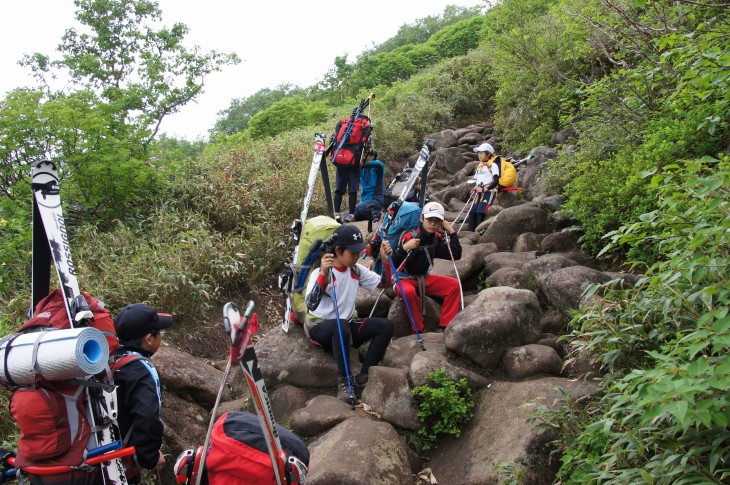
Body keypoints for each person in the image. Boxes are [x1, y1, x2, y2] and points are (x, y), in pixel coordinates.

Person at [304, 225, 394, 404]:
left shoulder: (355, 270)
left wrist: (385, 261)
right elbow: (311, 304)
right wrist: (323, 274)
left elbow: (384, 284)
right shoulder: (320, 273)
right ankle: (345, 383)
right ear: (338, 250)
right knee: (341, 325)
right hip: (321, 327)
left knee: (386, 326)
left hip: (345, 325)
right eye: (353, 253)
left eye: (358, 252)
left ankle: (363, 376)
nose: (357, 256)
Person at [113, 303, 172, 484]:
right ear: (148, 339)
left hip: (90, 457)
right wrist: (150, 457)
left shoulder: (108, 358)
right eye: (159, 333)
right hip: (119, 465)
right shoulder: (142, 369)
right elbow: (147, 416)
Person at [391, 202, 462, 333]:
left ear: (441, 222)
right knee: (408, 292)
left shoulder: (436, 239)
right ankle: (418, 329)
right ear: (422, 218)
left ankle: (444, 326)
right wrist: (404, 248)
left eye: (437, 221)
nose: (433, 224)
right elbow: (393, 264)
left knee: (454, 285)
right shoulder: (409, 236)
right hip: (403, 278)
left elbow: (455, 255)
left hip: (423, 278)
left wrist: (451, 232)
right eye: (430, 220)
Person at [469, 142, 501, 232]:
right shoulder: (480, 165)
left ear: (488, 154)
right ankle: (470, 234)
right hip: (479, 191)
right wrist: (476, 186)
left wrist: (485, 189)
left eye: (481, 153)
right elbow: (477, 179)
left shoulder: (493, 165)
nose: (479, 155)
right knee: (472, 212)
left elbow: (496, 180)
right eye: (478, 153)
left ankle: (478, 233)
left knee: (480, 212)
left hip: (488, 192)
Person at [350, 149, 385, 222]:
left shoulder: (378, 167)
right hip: (364, 201)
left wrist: (363, 163)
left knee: (361, 208)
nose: (364, 157)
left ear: (372, 156)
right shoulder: (362, 169)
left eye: (366, 155)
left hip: (376, 200)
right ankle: (368, 215)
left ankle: (379, 214)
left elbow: (379, 164)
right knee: (349, 214)